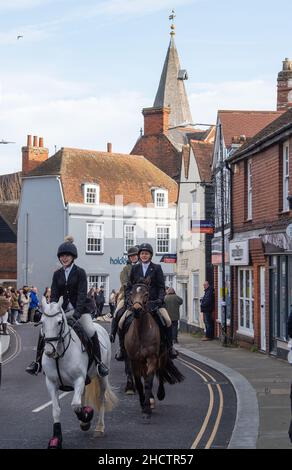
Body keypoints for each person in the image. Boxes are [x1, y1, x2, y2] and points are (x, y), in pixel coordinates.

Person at [25, 236, 109, 377]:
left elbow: (82, 294)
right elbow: (55, 295)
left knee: (89, 330)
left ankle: (99, 363)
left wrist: (77, 312)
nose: (64, 258)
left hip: (80, 311)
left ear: (73, 257)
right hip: (61, 311)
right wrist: (52, 310)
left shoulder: (80, 272)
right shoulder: (57, 274)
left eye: (67, 256)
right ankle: (37, 363)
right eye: (62, 256)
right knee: (43, 331)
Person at [120, 242, 178, 359]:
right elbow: (130, 287)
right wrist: (128, 299)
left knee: (167, 321)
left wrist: (160, 299)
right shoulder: (135, 268)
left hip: (154, 303)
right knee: (121, 322)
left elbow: (161, 287)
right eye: (142, 254)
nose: (144, 256)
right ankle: (122, 349)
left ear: (150, 255)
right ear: (139, 255)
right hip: (137, 303)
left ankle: (170, 347)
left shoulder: (157, 268)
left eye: (146, 254)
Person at [110, 246, 139, 361]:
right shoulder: (126, 269)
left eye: (135, 255)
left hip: (141, 296)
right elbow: (125, 283)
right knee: (118, 313)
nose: (133, 257)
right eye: (131, 256)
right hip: (127, 295)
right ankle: (116, 338)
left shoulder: (143, 267)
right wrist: (129, 296)